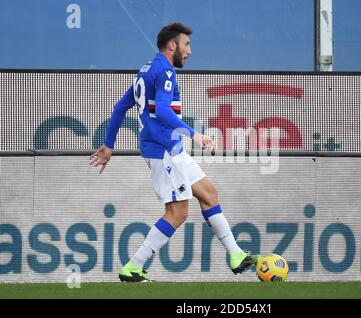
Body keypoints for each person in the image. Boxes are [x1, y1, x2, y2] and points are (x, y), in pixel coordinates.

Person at [89, 22, 258, 282]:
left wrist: (109, 145)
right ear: (172, 45)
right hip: (164, 151)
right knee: (177, 213)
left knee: (209, 193)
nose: (189, 50)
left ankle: (236, 255)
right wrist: (194, 133)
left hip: (171, 150)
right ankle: (133, 267)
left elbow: (120, 108)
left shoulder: (146, 70)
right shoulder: (166, 72)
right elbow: (165, 111)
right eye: (186, 44)